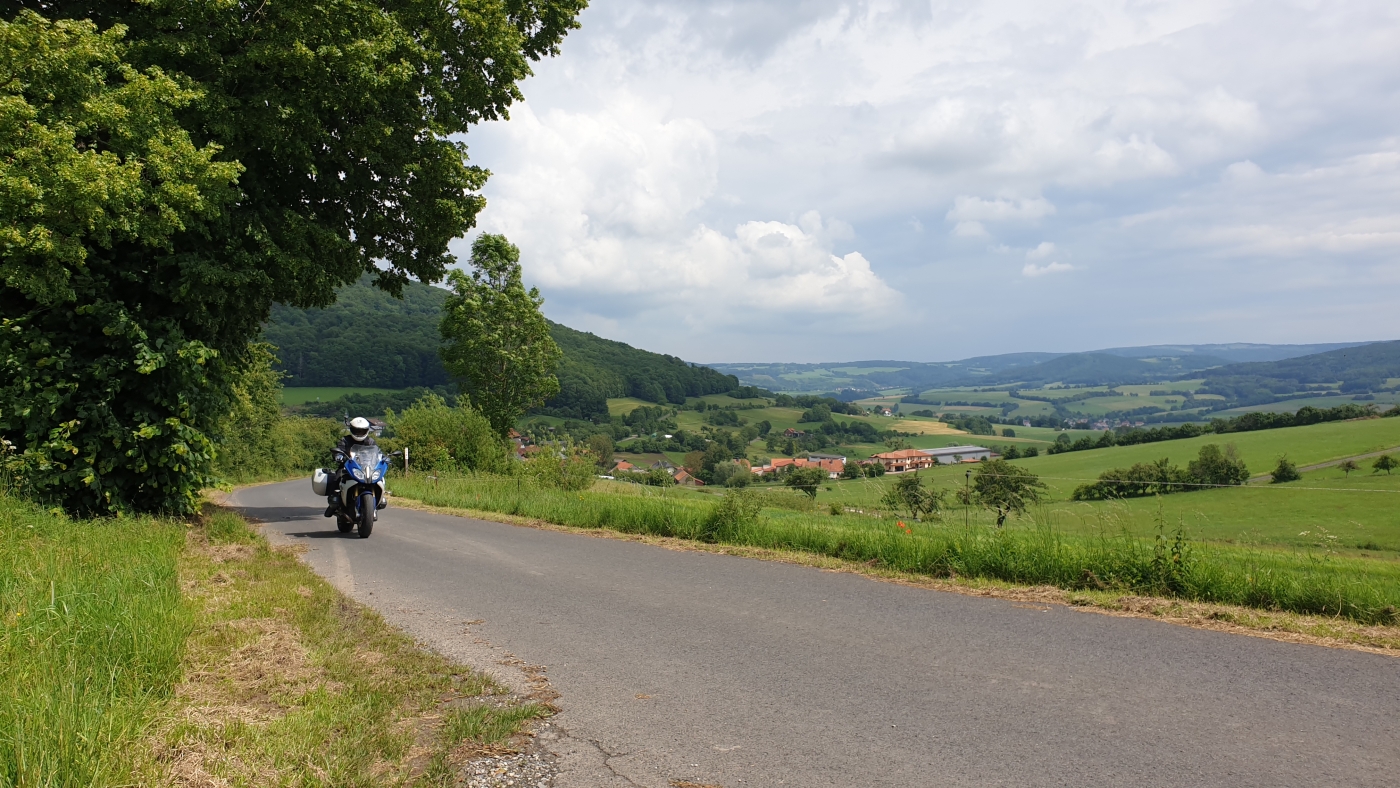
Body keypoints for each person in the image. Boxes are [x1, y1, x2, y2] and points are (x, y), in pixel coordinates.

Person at [325, 417, 377, 516]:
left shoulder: (370, 441)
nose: (359, 433)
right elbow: (339, 450)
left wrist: (384, 458)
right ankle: (334, 502)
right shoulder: (345, 440)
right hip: (347, 466)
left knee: (378, 479)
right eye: (357, 430)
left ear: (367, 430)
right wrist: (338, 455)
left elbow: (377, 452)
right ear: (351, 429)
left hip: (365, 467)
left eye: (362, 431)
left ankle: (378, 500)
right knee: (337, 477)